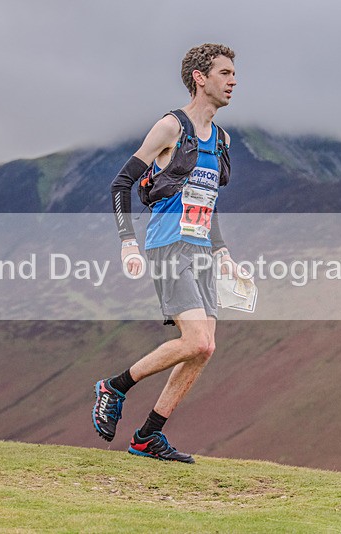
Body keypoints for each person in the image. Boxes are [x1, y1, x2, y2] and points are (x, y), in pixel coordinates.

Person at [93, 43, 241, 463]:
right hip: (168, 245)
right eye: (225, 73)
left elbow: (206, 203)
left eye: (234, 74)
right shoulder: (171, 127)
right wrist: (127, 242)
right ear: (200, 77)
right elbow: (121, 184)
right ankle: (115, 386)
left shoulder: (224, 139)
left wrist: (223, 251)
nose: (233, 81)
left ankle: (147, 436)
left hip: (202, 252)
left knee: (205, 347)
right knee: (194, 338)